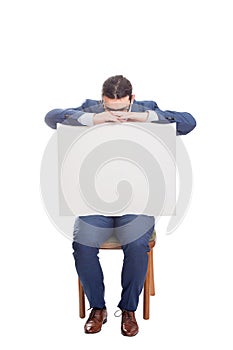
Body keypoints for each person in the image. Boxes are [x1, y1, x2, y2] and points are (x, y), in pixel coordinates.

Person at [45, 75, 196, 336]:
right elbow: (51, 117)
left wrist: (143, 118)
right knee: (82, 245)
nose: (115, 114)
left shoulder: (145, 108)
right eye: (109, 108)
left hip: (138, 203)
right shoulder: (90, 108)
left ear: (132, 99)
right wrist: (94, 118)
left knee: (137, 245)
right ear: (102, 100)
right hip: (93, 203)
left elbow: (189, 122)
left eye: (121, 109)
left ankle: (128, 310)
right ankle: (97, 308)